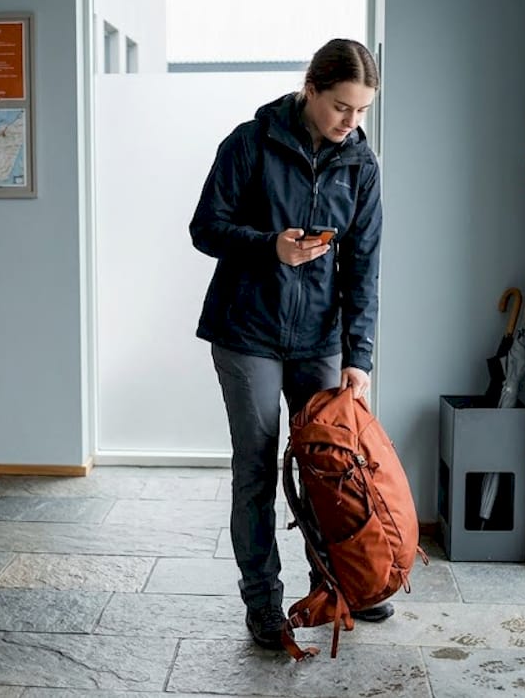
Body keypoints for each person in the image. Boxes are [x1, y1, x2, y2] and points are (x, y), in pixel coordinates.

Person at [189, 38, 391, 650]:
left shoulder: (361, 164)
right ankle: (265, 604)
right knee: (256, 467)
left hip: (318, 340)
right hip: (246, 331)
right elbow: (205, 228)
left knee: (329, 469)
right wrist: (269, 245)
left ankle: (335, 583)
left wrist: (359, 357)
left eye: (361, 110)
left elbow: (363, 267)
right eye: (340, 106)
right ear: (311, 90)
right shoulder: (249, 143)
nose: (350, 121)